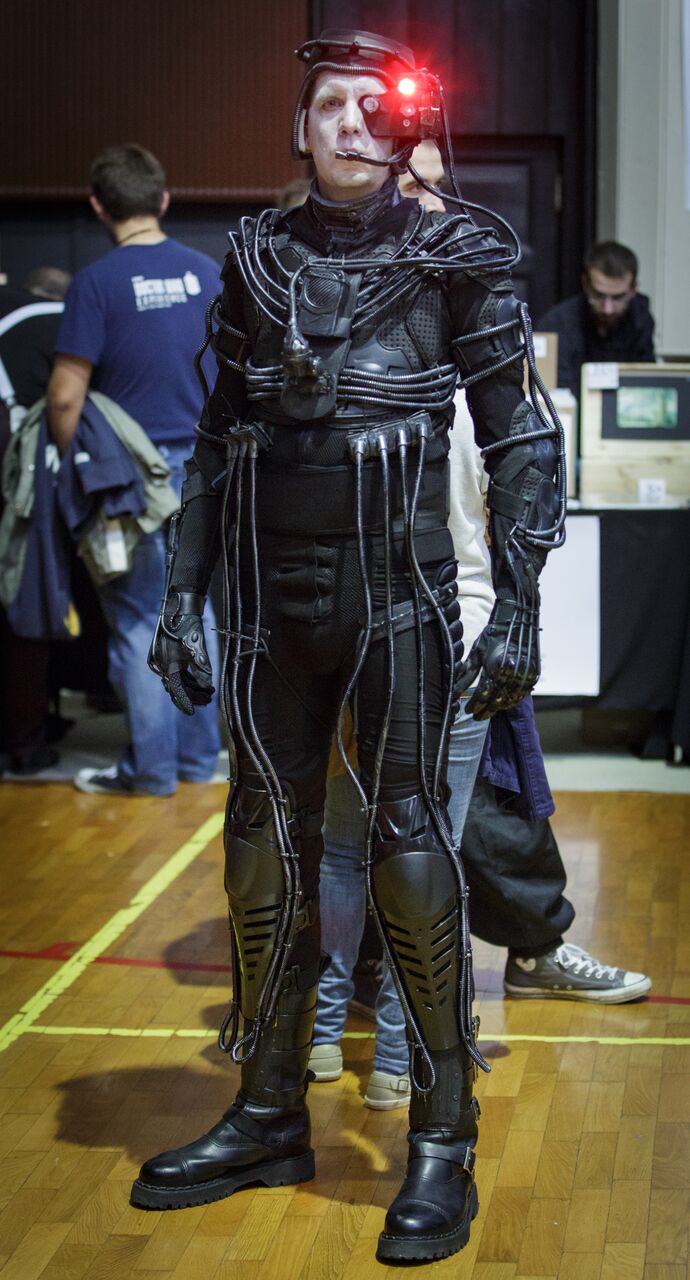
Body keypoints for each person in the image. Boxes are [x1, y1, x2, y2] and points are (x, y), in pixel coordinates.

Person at [130, 31, 566, 1264]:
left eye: (378, 106)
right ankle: (269, 1106)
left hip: (402, 598)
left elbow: (520, 437)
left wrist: (518, 603)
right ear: (302, 123)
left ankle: (443, 1132)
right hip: (270, 604)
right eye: (331, 104)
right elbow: (216, 442)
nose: (353, 124)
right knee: (258, 847)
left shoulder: (457, 252)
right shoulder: (257, 258)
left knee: (410, 848)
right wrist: (182, 599)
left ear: (412, 122)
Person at [309, 149, 651, 1111]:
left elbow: (525, 486)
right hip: (379, 626)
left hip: (441, 627)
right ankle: (379, 1045)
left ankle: (363, 1040)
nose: (411, 195)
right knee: (399, 844)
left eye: (424, 178)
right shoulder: (367, 324)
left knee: (391, 842)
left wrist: (513, 611)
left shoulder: (465, 334)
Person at [46, 143, 221, 797]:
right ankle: (198, 763)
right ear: (163, 200)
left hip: (134, 486)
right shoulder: (207, 273)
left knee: (140, 621)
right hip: (207, 474)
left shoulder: (96, 283)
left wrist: (79, 470)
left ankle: (151, 771)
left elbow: (65, 399)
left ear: (99, 207)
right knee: (197, 614)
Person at [0, 266, 72, 775]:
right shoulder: (60, 326)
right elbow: (65, 402)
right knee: (27, 610)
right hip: (20, 485)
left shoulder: (12, 326)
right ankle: (27, 739)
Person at [538, 240, 655, 398]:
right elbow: (554, 390)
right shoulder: (557, 322)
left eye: (618, 298)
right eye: (599, 295)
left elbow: (644, 381)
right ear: (586, 284)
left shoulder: (640, 318)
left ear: (634, 289)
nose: (608, 309)